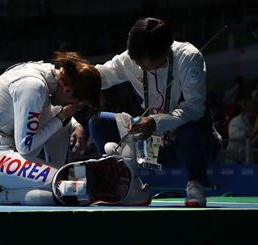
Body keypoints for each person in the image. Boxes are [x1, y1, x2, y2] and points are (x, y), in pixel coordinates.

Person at [89, 17, 220, 207]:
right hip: (153, 147)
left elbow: (195, 107)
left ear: (165, 50)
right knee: (98, 121)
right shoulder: (130, 59)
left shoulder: (189, 58)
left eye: (145, 61)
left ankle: (196, 182)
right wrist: (73, 75)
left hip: (193, 146)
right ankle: (123, 182)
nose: (140, 65)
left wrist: (155, 122)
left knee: (193, 121)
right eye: (137, 60)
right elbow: (99, 75)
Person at [0, 51, 102, 205]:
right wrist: (63, 116)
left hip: (5, 147)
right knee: (70, 189)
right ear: (68, 90)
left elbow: (49, 112)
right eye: (75, 105)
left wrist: (75, 125)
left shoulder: (48, 76)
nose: (72, 108)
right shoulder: (33, 86)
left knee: (71, 188)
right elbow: (26, 146)